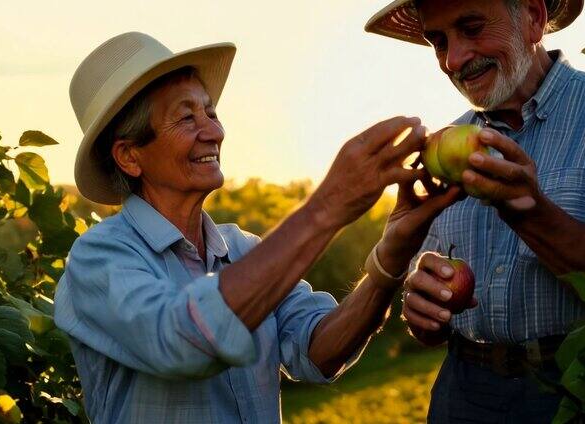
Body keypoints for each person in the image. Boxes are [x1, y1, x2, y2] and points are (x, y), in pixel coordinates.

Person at [53, 32, 461, 423]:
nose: (214, 132)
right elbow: (180, 340)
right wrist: (327, 207)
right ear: (129, 156)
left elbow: (318, 349)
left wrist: (390, 257)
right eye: (186, 118)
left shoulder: (244, 250)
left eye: (210, 111)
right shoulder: (100, 258)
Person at [365, 0, 585, 422]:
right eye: (437, 42)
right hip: (462, 388)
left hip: (577, 389)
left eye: (471, 27)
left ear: (532, 18)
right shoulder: (446, 147)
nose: (453, 59)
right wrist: (424, 307)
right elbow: (435, 299)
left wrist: (533, 215)